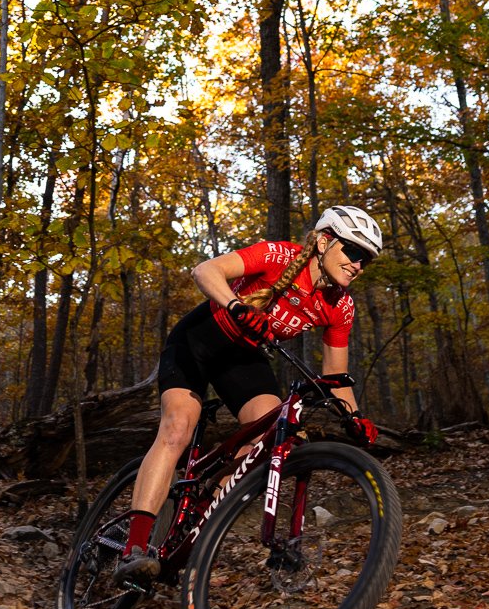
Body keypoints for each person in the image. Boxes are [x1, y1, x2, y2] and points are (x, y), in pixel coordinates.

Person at [113, 205, 384, 586]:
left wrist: (355, 417)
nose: (358, 264)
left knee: (274, 435)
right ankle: (134, 548)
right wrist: (237, 306)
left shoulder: (340, 306)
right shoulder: (280, 255)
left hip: (244, 358)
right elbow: (205, 270)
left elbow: (336, 378)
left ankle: (200, 524)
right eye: (353, 252)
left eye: (366, 260)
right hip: (199, 341)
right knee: (178, 428)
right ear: (324, 242)